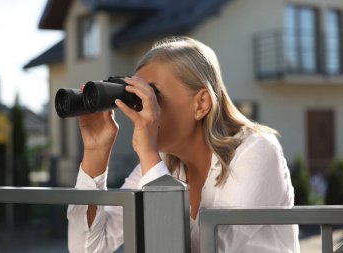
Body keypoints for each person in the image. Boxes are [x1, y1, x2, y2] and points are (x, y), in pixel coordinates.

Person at [67, 36, 300, 253]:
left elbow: (209, 249)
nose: (143, 108)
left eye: (152, 94)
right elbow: (87, 248)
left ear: (201, 103)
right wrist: (95, 152)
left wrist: (148, 154)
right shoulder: (163, 161)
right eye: (137, 96)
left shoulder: (256, 149)